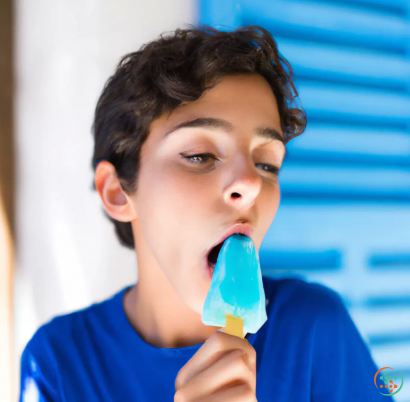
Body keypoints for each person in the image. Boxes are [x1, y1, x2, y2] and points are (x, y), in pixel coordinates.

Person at [19, 25, 388, 401]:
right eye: (200, 156)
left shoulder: (314, 329)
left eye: (266, 163)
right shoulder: (57, 363)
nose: (250, 183)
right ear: (117, 192)